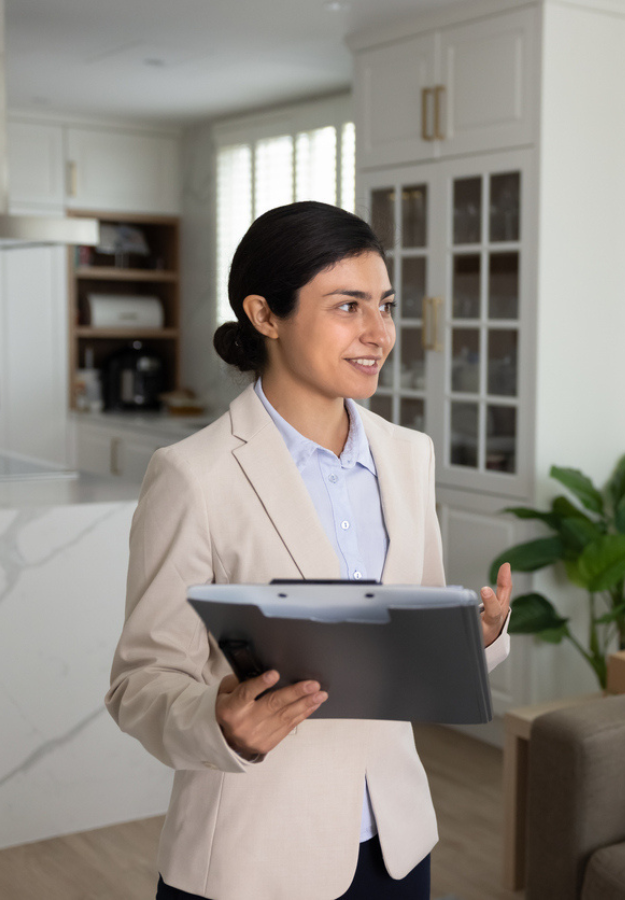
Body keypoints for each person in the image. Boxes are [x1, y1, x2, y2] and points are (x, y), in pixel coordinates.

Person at [105, 201, 512, 900]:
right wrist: (220, 722)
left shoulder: (408, 456)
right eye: (347, 306)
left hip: (395, 842)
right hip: (254, 857)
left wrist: (475, 633)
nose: (379, 332)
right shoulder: (193, 475)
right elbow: (139, 682)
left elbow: (418, 640)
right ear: (265, 315)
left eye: (384, 305)